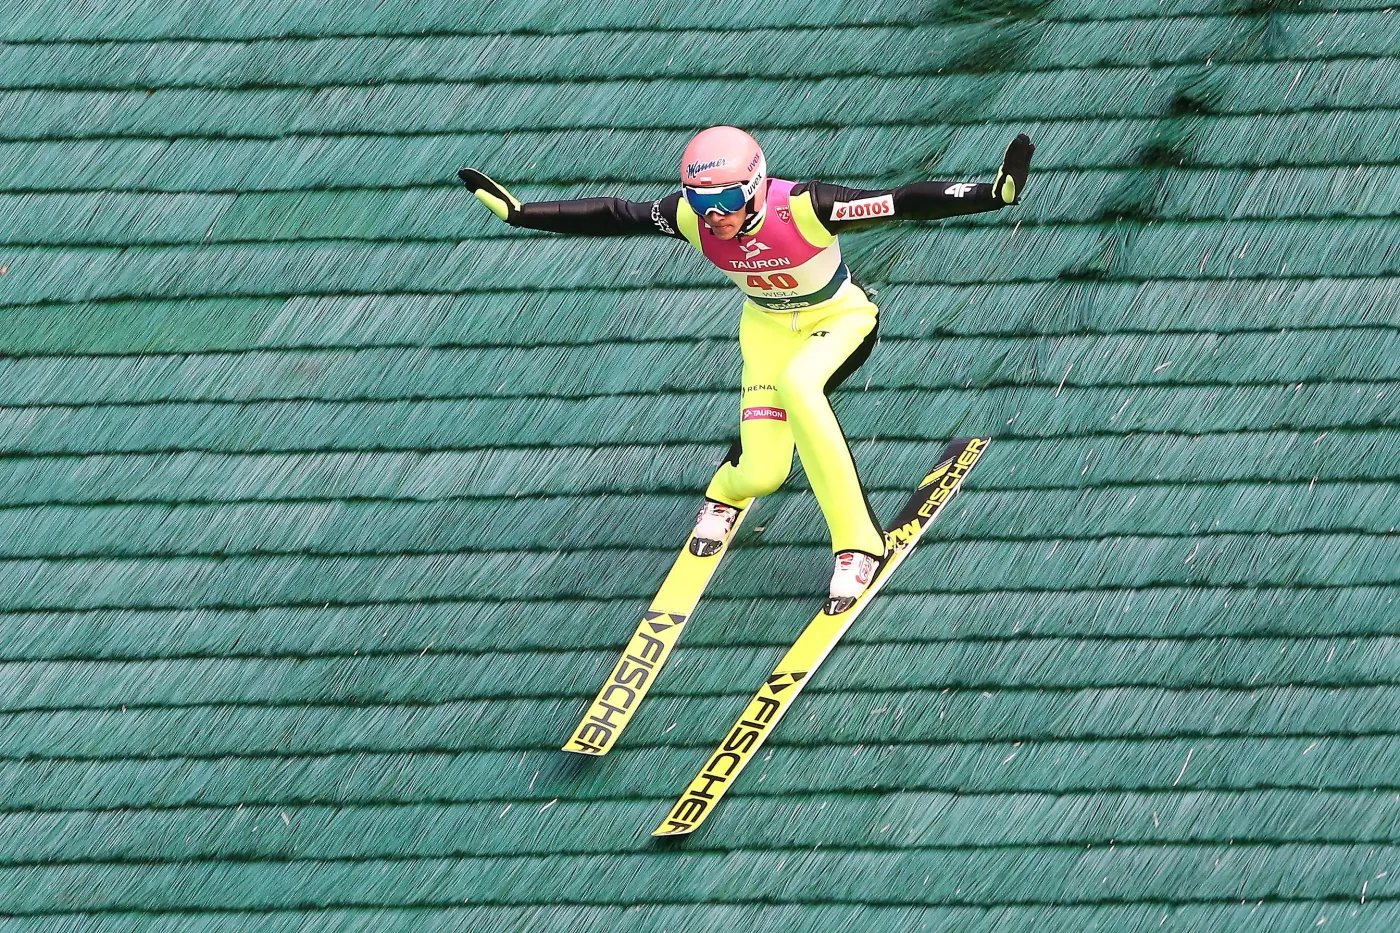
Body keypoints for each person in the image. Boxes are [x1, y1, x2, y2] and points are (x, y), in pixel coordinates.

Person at [459, 127, 1033, 611]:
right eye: (700, 203)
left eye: (727, 201)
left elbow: (903, 201)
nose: (714, 218)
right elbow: (615, 214)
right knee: (763, 473)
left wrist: (991, 194)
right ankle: (724, 491)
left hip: (838, 321)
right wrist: (521, 214)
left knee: (800, 386)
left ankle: (859, 544)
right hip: (766, 333)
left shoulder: (805, 208)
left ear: (755, 189)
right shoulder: (692, 219)